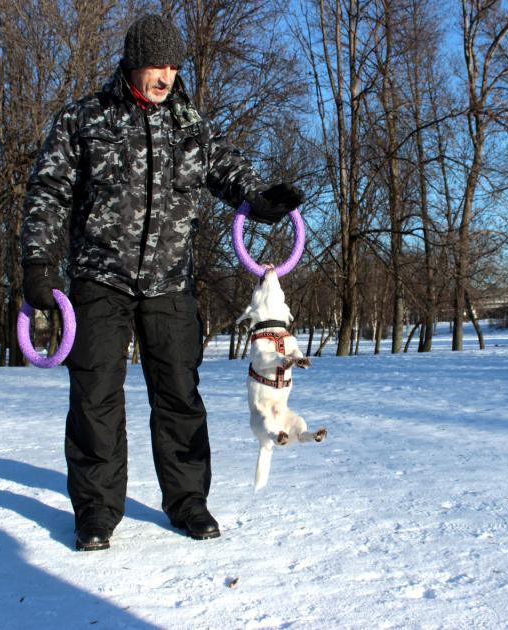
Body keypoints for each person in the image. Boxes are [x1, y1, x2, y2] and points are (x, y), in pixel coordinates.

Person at [20, 14, 304, 551]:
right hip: (99, 279)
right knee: (95, 397)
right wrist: (37, 266)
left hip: (170, 282)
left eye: (174, 66)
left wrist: (262, 202)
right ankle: (97, 513)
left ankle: (189, 502)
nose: (166, 76)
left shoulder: (190, 126)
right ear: (132, 61)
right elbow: (48, 192)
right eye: (157, 65)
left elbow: (227, 171)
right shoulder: (85, 119)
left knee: (179, 396)